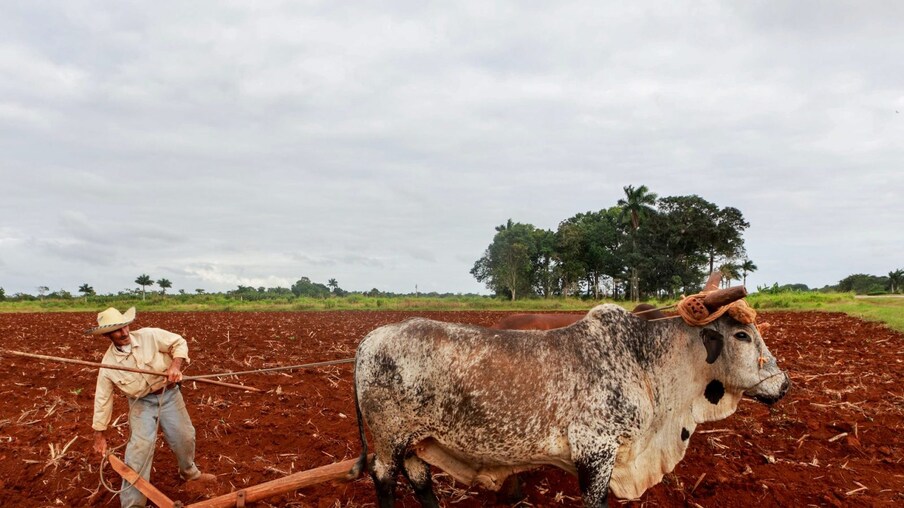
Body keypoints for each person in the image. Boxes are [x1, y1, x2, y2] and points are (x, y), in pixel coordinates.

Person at [87, 307, 214, 507]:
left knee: (184, 436)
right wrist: (99, 434)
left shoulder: (149, 336)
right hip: (141, 404)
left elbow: (179, 342)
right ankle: (133, 504)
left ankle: (189, 473)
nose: (125, 332)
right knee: (139, 450)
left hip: (169, 394)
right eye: (117, 330)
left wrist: (175, 366)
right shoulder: (108, 364)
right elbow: (103, 398)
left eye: (125, 326)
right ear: (107, 336)